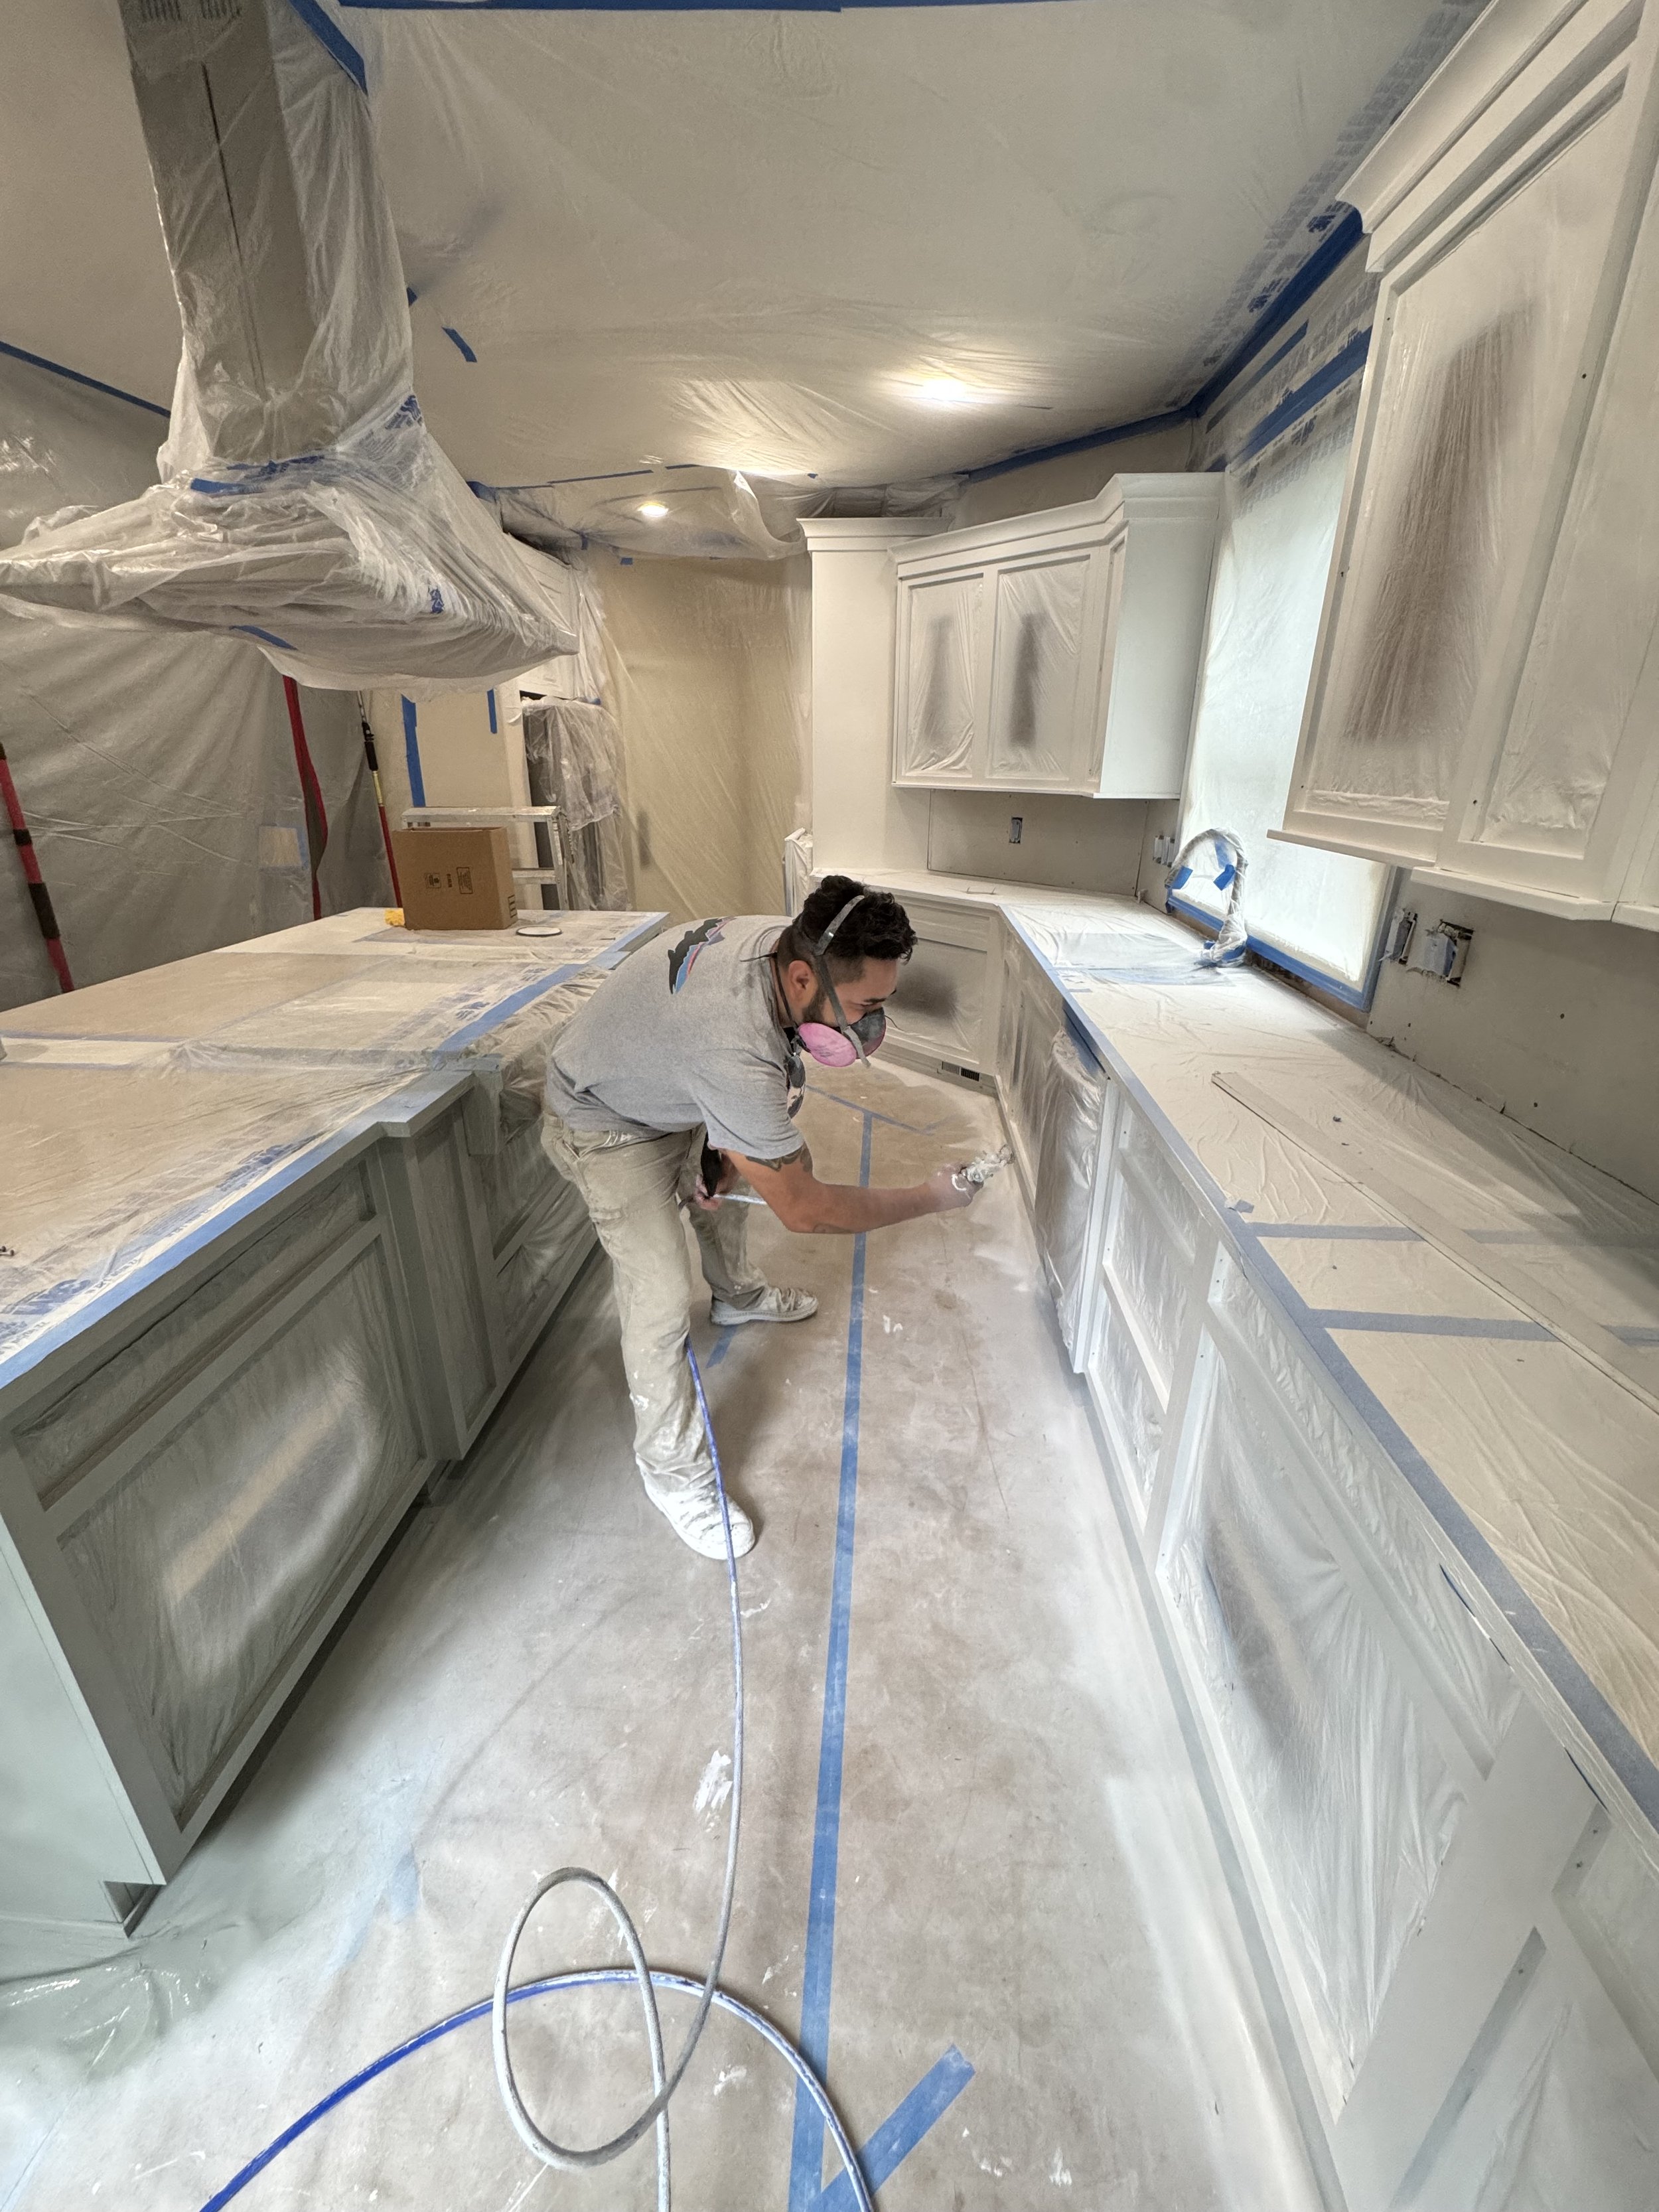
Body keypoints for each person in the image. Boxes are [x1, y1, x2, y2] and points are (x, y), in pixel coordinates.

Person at [540, 874, 980, 1558]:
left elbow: (752, 1096)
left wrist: (721, 1151)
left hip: (660, 1076)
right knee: (658, 1295)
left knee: (746, 1160)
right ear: (803, 978)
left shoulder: (783, 944)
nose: (870, 1025)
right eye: (865, 1005)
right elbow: (806, 1210)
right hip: (602, 1117)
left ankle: (739, 1296)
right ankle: (672, 1473)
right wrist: (929, 1197)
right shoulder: (729, 1046)